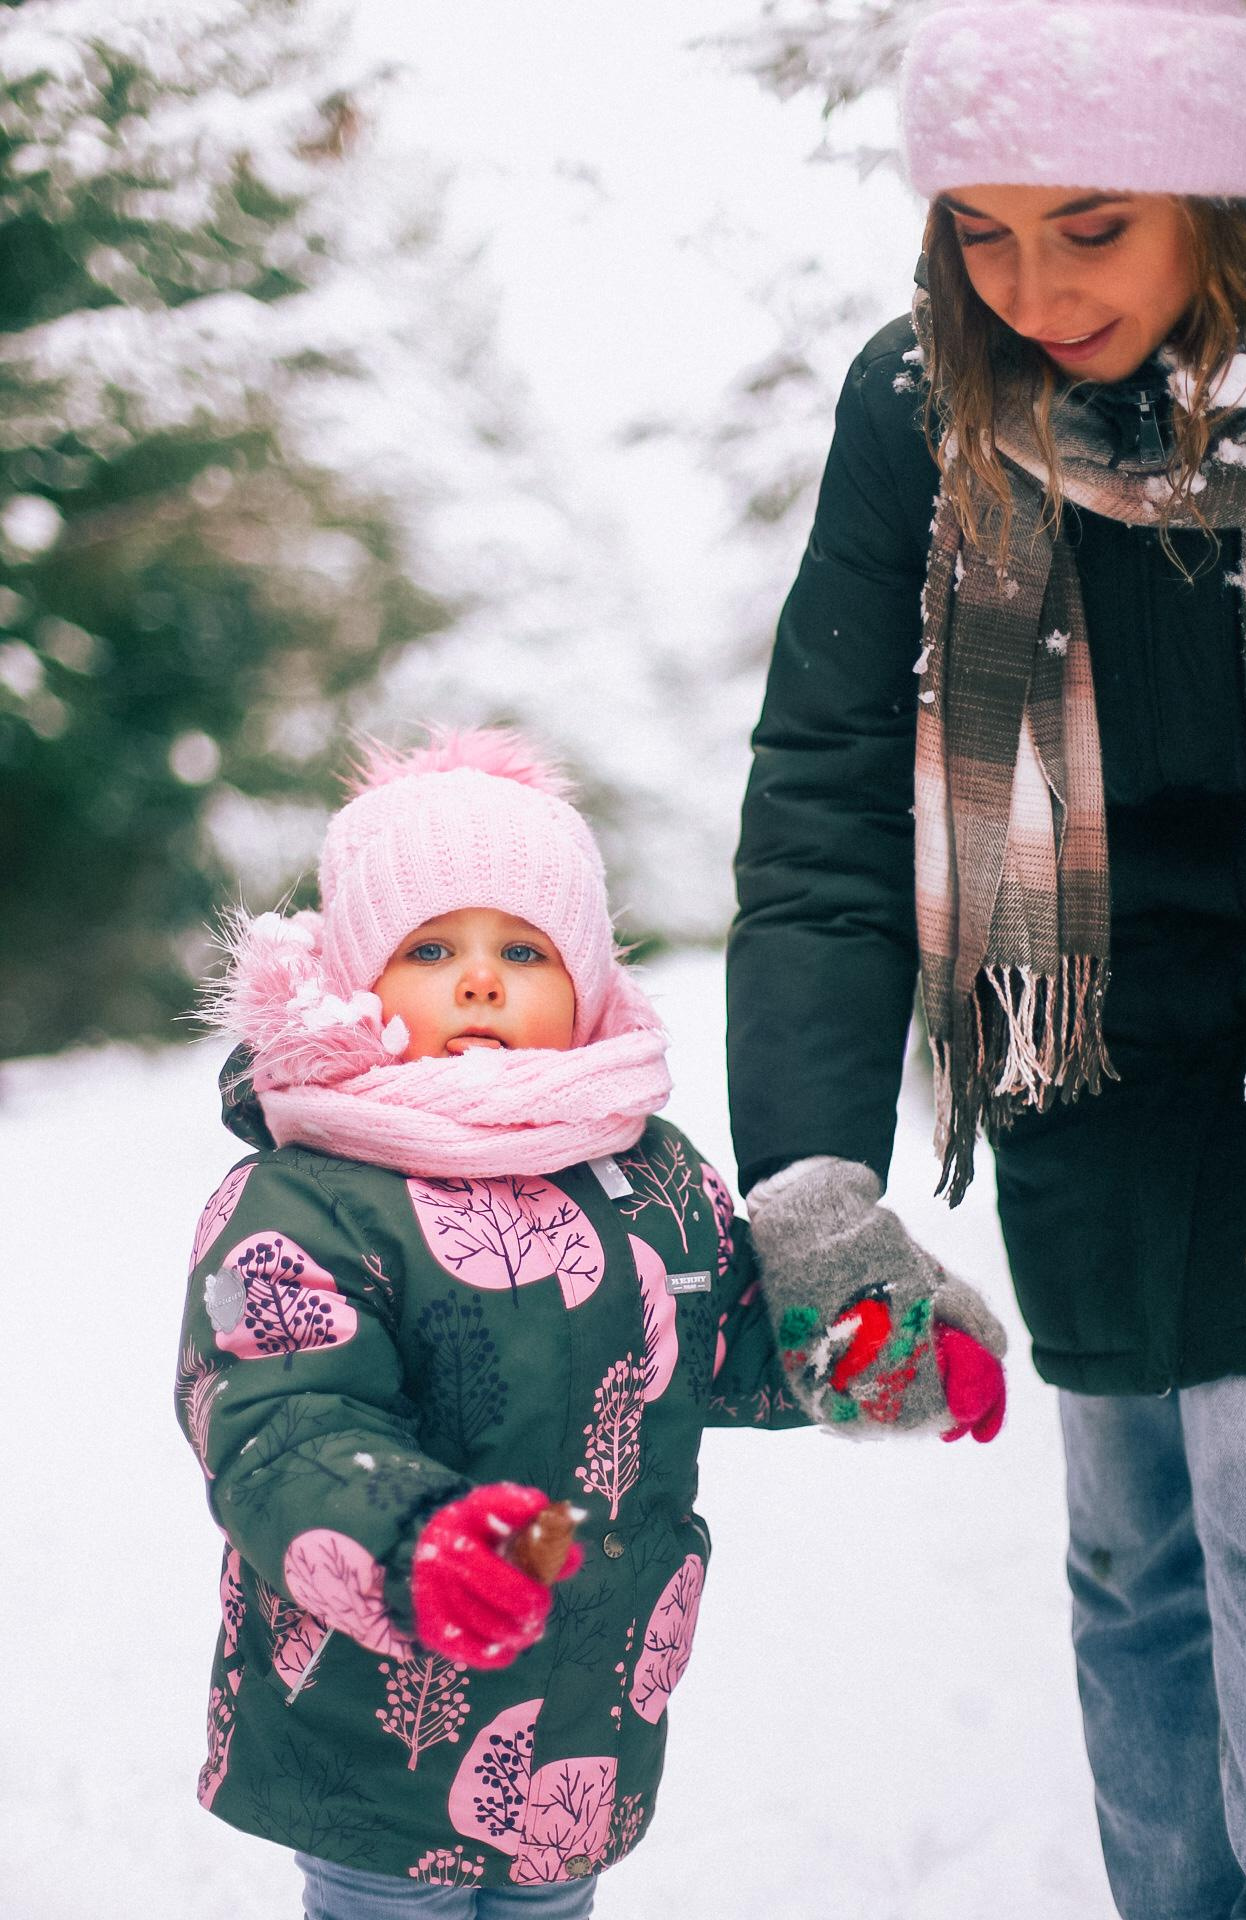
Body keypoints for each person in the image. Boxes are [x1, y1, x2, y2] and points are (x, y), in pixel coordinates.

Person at [728, 2, 1246, 1916]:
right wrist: (812, 1177)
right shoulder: (922, 412)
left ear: (1223, 192)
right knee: (1134, 1554)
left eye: (1093, 226)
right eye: (981, 231)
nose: (1033, 291)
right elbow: (828, 791)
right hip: (1084, 1056)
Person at [175, 728, 1007, 1920]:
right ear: (360, 976)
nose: (479, 980)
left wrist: (892, 1350)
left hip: (583, 1714)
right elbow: (279, 1420)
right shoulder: (304, 1196)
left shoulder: (645, 1178)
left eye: (522, 949)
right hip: (374, 1722)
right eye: (430, 948)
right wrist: (409, 1539)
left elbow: (737, 1336)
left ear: (586, 984)